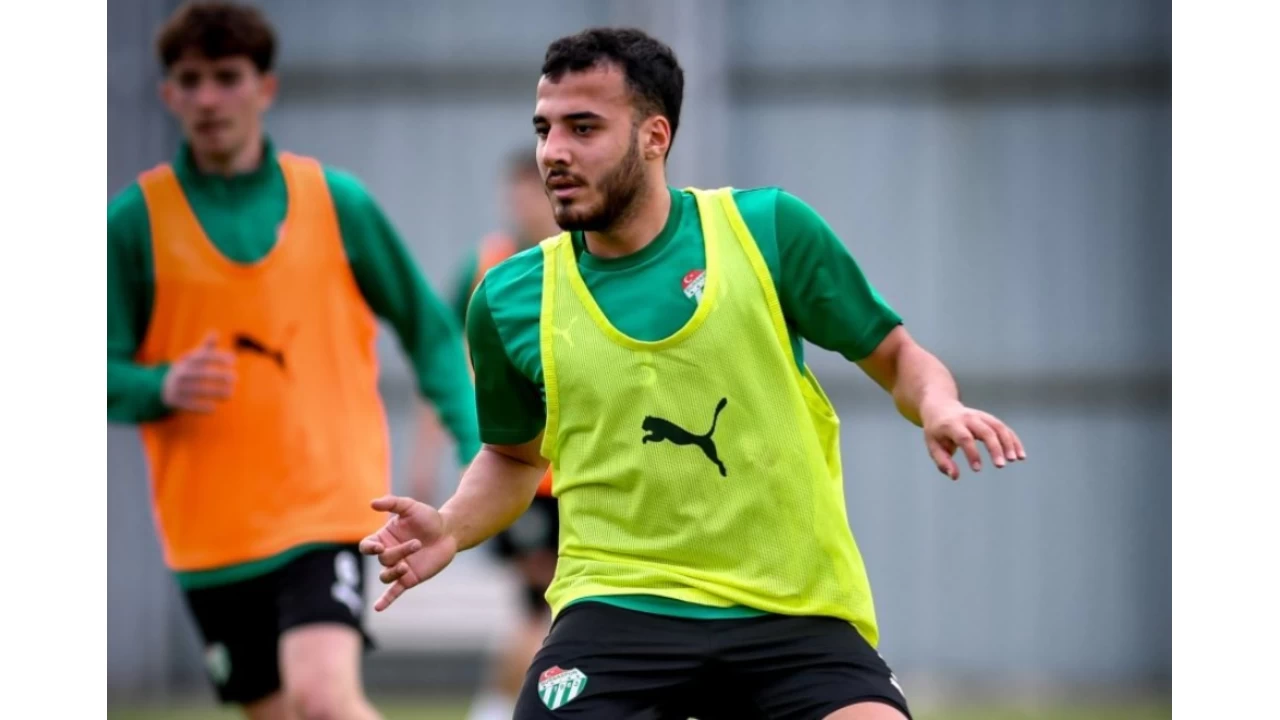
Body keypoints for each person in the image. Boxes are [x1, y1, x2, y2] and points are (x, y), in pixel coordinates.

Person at [359, 27, 1027, 720]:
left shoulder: (768, 231)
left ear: (655, 136)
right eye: (544, 129)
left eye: (583, 128)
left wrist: (938, 404)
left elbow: (899, 358)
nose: (554, 151)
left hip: (791, 611)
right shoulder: (508, 299)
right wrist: (450, 526)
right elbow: (513, 457)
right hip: (616, 610)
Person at [106, 2, 480, 718]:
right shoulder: (134, 223)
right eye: (191, 80)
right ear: (168, 94)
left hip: (327, 508)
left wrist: (478, 447)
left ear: (265, 87)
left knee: (324, 699)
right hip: (210, 534)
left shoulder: (337, 203)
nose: (209, 98)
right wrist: (158, 385)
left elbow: (430, 331)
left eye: (227, 77)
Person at [444, 150, 564, 720]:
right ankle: (497, 708)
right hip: (523, 474)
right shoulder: (487, 267)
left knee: (555, 609)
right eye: (515, 193)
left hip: (574, 467)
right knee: (544, 608)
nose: (523, 205)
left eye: (532, 192)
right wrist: (450, 443)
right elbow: (446, 355)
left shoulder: (583, 261)